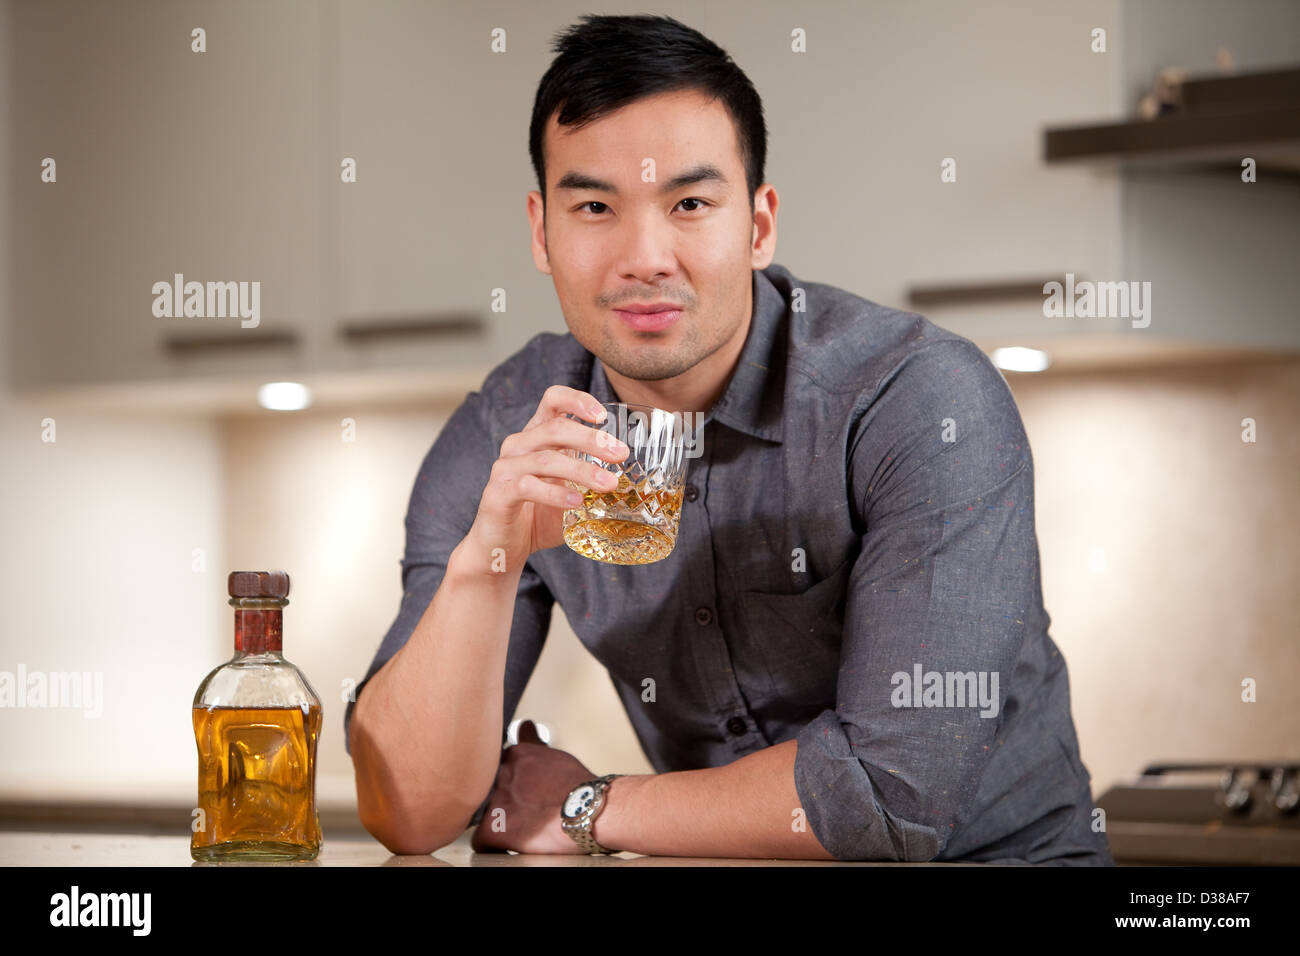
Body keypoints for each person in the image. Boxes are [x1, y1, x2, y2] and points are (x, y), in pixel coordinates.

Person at [345, 13, 1113, 865]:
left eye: (690, 203)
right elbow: (407, 816)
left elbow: (890, 803)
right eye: (595, 206)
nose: (645, 256)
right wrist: (486, 564)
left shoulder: (918, 399)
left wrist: (587, 807)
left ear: (757, 225)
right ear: (541, 231)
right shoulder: (511, 428)